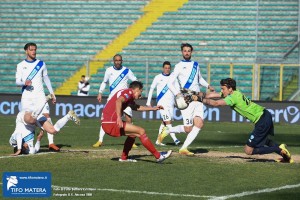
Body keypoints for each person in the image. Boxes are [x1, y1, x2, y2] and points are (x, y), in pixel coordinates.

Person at [190, 78, 294, 163]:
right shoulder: (234, 93)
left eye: (223, 89)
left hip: (261, 119)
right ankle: (284, 154)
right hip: (265, 115)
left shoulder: (233, 98)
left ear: (230, 89)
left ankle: (278, 149)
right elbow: (209, 96)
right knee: (263, 139)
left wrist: (198, 99)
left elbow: (215, 103)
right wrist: (194, 93)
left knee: (248, 150)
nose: (221, 91)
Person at [101, 81, 172, 163]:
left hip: (107, 123)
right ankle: (159, 156)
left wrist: (153, 108)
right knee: (141, 131)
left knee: (133, 135)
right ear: (137, 89)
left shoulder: (128, 95)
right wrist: (119, 118)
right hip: (111, 122)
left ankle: (124, 158)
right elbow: (118, 101)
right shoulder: (129, 92)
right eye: (141, 92)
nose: (140, 95)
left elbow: (136, 107)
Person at [164, 43, 215, 155]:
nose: (186, 52)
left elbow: (200, 79)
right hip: (186, 99)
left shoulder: (196, 65)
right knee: (188, 129)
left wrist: (208, 86)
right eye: (185, 51)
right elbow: (169, 83)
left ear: (191, 52)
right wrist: (177, 94)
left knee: (199, 123)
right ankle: (168, 130)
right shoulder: (178, 66)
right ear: (182, 52)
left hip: (197, 98)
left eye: (188, 51)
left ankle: (183, 148)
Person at [15, 42, 60, 152]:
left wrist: (52, 93)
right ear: (26, 51)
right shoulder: (20, 65)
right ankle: (28, 144)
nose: (34, 52)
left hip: (40, 97)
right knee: (29, 121)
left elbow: (46, 79)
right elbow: (17, 81)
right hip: (27, 98)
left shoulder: (41, 64)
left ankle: (51, 143)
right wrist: (24, 83)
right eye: (31, 50)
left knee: (46, 116)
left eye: (35, 50)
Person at [9, 95, 80, 156]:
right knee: (53, 131)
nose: (26, 147)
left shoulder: (12, 142)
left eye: (24, 148)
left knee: (32, 120)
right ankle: (68, 116)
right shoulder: (28, 149)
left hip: (23, 119)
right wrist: (39, 139)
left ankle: (44, 100)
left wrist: (19, 149)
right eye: (25, 150)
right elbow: (35, 150)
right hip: (34, 121)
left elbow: (18, 135)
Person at [93, 54, 138, 148]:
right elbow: (104, 82)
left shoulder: (127, 71)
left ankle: (131, 140)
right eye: (116, 60)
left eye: (119, 60)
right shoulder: (109, 70)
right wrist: (100, 92)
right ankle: (100, 140)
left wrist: (135, 92)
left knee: (128, 118)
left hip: (124, 99)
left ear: (122, 61)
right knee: (105, 119)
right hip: (112, 99)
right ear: (113, 61)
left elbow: (135, 81)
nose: (118, 62)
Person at [146, 61, 184, 146]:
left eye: (168, 68)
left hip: (171, 103)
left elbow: (177, 89)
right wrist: (148, 102)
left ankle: (158, 141)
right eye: (165, 68)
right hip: (161, 103)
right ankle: (175, 139)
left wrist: (178, 100)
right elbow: (151, 89)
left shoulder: (173, 78)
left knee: (165, 122)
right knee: (168, 122)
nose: (167, 70)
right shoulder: (158, 77)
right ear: (163, 68)